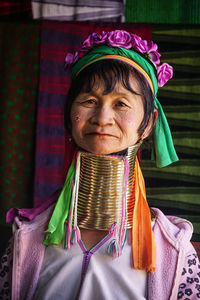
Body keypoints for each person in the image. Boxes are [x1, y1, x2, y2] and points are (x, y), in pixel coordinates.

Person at [0, 30, 200, 300]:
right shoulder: (26, 238)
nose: (102, 117)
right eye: (90, 101)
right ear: (70, 116)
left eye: (121, 103)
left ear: (149, 123)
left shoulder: (173, 250)